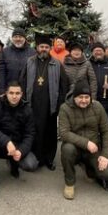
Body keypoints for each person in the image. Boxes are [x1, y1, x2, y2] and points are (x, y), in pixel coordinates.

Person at [20, 33, 69, 170]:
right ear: (37, 47)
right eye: (41, 46)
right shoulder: (29, 62)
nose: (44, 49)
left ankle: (48, 159)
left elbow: (63, 84)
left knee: (50, 133)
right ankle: (35, 157)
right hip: (32, 104)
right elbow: (22, 81)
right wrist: (23, 101)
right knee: (34, 131)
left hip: (50, 105)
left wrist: (60, 103)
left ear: (50, 48)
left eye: (47, 47)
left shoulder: (57, 64)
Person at [59, 81, 108, 200]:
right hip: (75, 147)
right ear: (74, 97)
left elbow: (106, 131)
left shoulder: (97, 106)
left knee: (107, 173)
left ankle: (88, 168)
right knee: (67, 149)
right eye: (80, 97)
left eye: (86, 97)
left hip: (93, 149)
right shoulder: (65, 108)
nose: (84, 100)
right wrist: (86, 143)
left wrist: (105, 155)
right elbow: (63, 133)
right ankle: (69, 183)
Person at [0, 81, 38, 197]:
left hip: (17, 146)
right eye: (11, 93)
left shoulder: (27, 110)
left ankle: (14, 164)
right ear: (6, 93)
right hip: (0, 145)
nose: (14, 96)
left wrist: (21, 151)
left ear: (21, 94)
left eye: (17, 93)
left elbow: (30, 134)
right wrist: (6, 141)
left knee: (31, 164)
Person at [0, 28, 35, 96]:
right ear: (12, 38)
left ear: (24, 38)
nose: (18, 39)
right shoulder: (5, 52)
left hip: (27, 90)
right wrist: (1, 89)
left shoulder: (32, 52)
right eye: (15, 37)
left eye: (20, 37)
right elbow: (1, 72)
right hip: (10, 90)